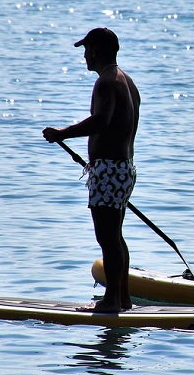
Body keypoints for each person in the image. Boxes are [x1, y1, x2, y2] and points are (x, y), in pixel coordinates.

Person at [43, 27, 140, 312]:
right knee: (115, 236)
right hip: (123, 169)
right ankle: (123, 299)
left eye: (87, 49)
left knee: (107, 238)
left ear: (96, 50)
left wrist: (62, 133)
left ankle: (111, 302)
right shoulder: (127, 81)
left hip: (109, 170)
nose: (84, 55)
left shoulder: (106, 82)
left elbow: (101, 121)